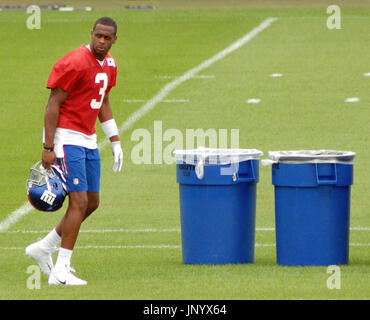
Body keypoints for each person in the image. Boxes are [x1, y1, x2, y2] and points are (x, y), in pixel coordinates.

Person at [25, 17, 123, 286]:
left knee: (91, 202)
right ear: (91, 33)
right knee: (77, 202)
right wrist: (48, 147)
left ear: (114, 40)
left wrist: (114, 139)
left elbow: (102, 101)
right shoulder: (74, 62)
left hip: (88, 139)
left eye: (107, 38)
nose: (101, 41)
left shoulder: (110, 64)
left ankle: (44, 247)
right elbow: (52, 104)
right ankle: (61, 270)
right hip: (66, 138)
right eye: (98, 36)